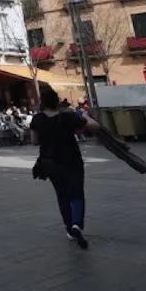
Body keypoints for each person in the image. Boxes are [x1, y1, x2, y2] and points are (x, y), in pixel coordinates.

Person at [31, 86, 98, 249]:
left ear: (42, 102)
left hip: (50, 163)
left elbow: (34, 141)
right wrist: (84, 116)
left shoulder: (37, 119)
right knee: (77, 193)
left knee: (62, 195)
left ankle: (69, 228)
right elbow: (95, 127)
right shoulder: (68, 116)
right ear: (57, 101)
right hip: (72, 160)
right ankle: (77, 224)